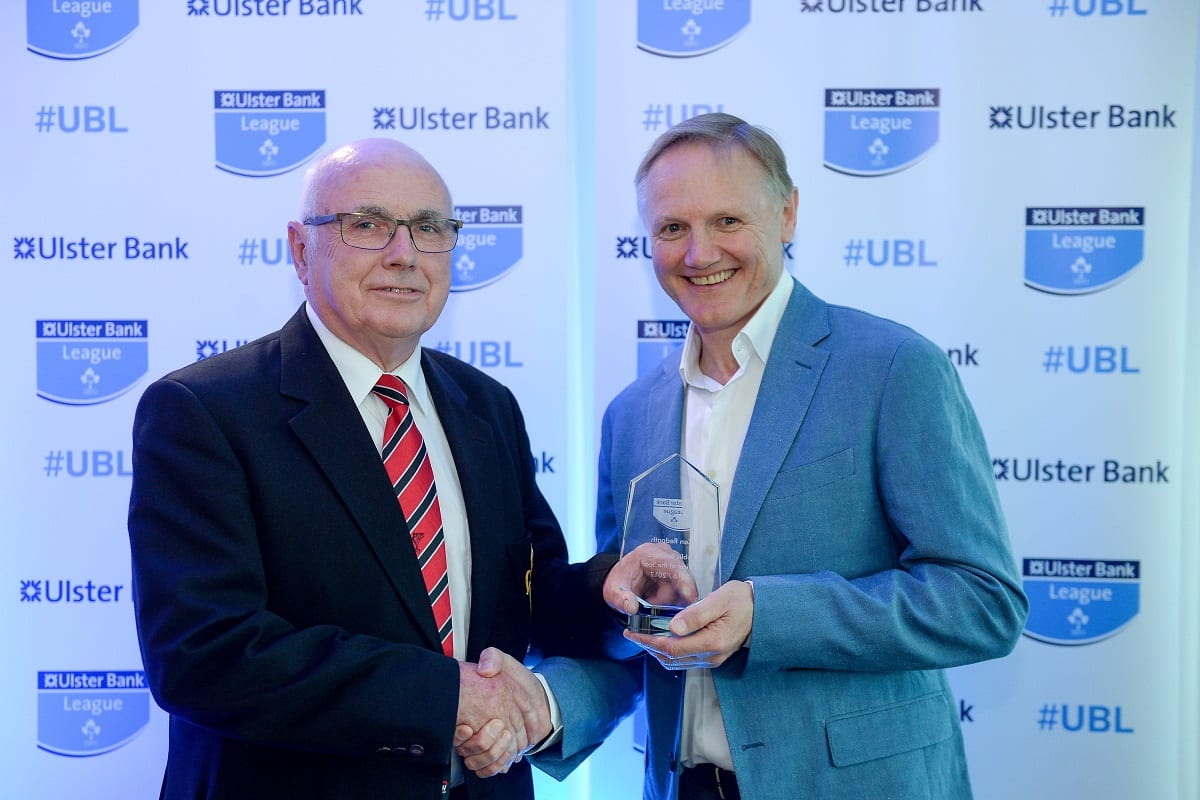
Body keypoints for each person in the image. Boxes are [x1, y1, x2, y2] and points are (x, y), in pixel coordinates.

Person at [127, 137, 632, 800]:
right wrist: (445, 697)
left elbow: (527, 606)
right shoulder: (203, 412)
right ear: (301, 249)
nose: (404, 254)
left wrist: (613, 591)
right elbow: (204, 654)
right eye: (367, 225)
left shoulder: (486, 407)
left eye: (429, 229)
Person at [590, 113, 1029, 800]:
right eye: (673, 228)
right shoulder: (629, 415)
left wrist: (769, 615)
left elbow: (982, 601)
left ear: (788, 214)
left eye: (728, 221)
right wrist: (536, 704)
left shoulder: (890, 369)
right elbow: (624, 628)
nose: (699, 253)